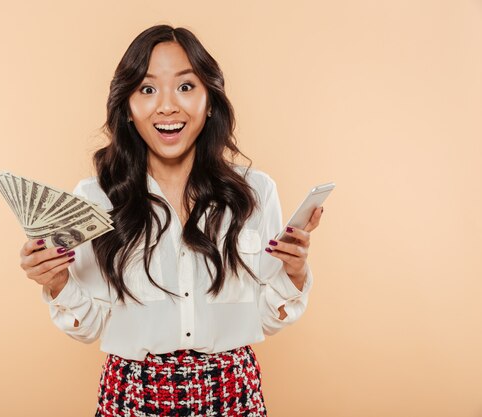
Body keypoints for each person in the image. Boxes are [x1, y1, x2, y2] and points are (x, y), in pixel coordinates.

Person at [18, 25, 323, 417]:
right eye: (147, 89)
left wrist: (294, 274)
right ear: (127, 107)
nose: (167, 107)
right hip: (132, 395)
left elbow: (263, 317)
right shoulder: (95, 199)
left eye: (185, 87)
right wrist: (57, 282)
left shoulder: (255, 192)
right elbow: (91, 326)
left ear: (210, 100)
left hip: (231, 392)